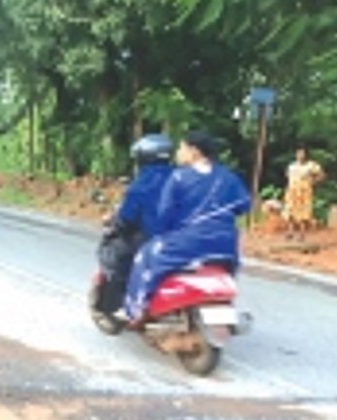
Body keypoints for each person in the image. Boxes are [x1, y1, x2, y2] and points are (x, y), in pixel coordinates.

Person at [123, 130, 251, 322]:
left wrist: (161, 234)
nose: (177, 153)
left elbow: (164, 214)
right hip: (225, 243)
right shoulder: (228, 178)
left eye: (181, 148)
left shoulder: (179, 177)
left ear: (194, 152)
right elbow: (243, 205)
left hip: (189, 243)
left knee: (145, 255)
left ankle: (138, 308)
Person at [94, 133, 174, 315]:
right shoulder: (182, 178)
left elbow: (126, 219)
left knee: (116, 254)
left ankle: (119, 306)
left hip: (152, 240)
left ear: (142, 159)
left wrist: (114, 224)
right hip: (183, 238)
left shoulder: (141, 185)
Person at [283, 145, 324, 239]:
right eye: (298, 153)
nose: (300, 155)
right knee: (290, 211)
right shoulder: (292, 166)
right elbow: (287, 175)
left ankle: (302, 234)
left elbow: (321, 175)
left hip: (304, 191)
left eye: (302, 153)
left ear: (306, 155)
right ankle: (290, 232)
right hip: (292, 190)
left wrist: (312, 182)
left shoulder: (311, 165)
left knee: (303, 212)